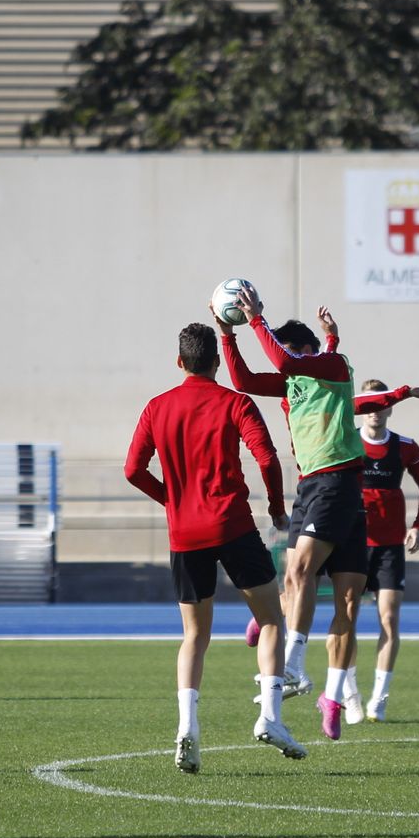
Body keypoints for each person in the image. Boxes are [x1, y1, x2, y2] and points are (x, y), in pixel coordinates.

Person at [218, 287, 419, 741]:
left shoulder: (330, 366)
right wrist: (228, 333)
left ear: (307, 349)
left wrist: (257, 319)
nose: (281, 354)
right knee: (306, 579)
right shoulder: (295, 382)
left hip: (337, 481)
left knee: (314, 580)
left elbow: (289, 363)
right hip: (313, 486)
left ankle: (301, 669)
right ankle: (286, 641)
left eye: (288, 347)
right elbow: (243, 379)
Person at [125, 322, 307, 771]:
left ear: (180, 361)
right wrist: (278, 510)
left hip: (185, 534)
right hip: (233, 526)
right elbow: (266, 458)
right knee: (269, 621)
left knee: (194, 636)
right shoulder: (236, 402)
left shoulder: (157, 407)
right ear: (217, 362)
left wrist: (172, 498)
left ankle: (187, 726)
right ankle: (270, 716)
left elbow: (132, 469)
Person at [339, 379, 419, 725]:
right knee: (346, 622)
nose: (375, 412)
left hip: (390, 546)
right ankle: (349, 695)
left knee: (389, 621)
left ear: (390, 408)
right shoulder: (347, 441)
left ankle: (379, 699)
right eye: (369, 406)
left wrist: (418, 526)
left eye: (381, 406)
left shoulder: (406, 447)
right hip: (353, 544)